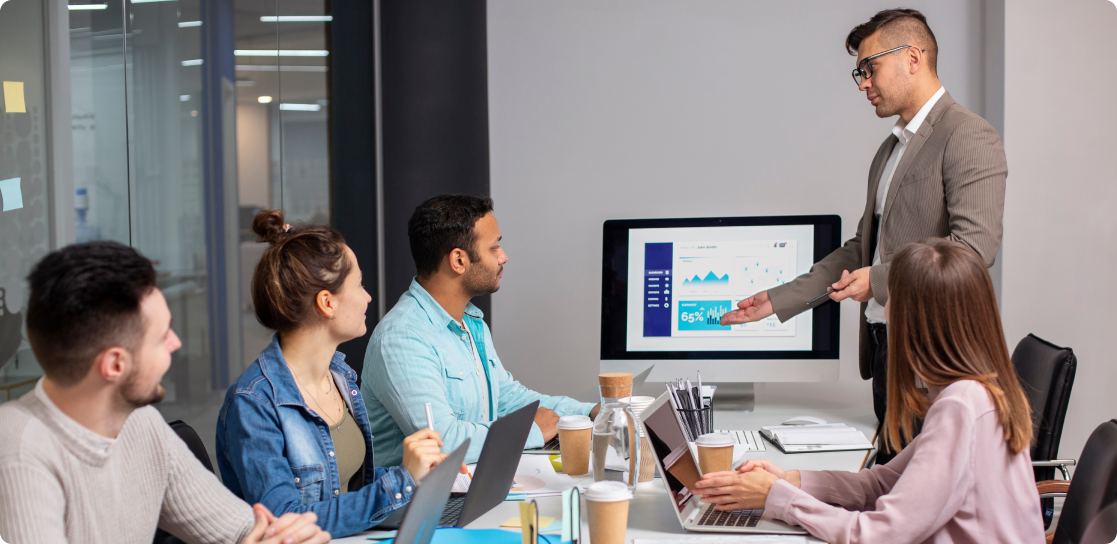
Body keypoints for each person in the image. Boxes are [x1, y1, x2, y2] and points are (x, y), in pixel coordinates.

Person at [719, 8, 1007, 462]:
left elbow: (973, 249)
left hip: (932, 358)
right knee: (888, 484)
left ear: (913, 57)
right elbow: (863, 248)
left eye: (869, 68)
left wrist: (877, 280)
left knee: (914, 509)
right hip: (885, 352)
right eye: (859, 71)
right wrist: (778, 300)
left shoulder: (968, 135)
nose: (862, 84)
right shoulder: (891, 149)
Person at [694, 239, 1044, 543]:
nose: (885, 310)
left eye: (892, 299)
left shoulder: (962, 406)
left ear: (919, 322)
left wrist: (777, 498)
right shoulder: (974, 394)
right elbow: (882, 484)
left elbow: (879, 535)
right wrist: (789, 480)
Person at [0, 241, 329, 544]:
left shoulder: (140, 424)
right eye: (162, 336)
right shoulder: (17, 451)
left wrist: (286, 536)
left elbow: (246, 529)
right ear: (115, 365)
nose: (176, 343)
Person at [217, 210, 459, 538]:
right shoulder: (253, 403)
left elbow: (343, 484)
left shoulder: (340, 377)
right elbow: (286, 521)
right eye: (358, 284)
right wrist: (400, 481)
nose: (368, 297)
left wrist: (414, 470)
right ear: (327, 303)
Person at [362, 194, 599, 465]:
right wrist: (531, 431)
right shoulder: (402, 339)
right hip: (422, 504)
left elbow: (507, 399)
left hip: (471, 487)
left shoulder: (471, 324)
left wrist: (591, 412)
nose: (503, 257)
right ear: (459, 261)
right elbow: (442, 441)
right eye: (494, 248)